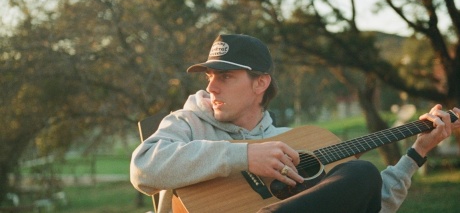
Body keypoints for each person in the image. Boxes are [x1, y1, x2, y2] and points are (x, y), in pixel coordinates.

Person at [130, 34, 460, 213]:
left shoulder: (294, 140)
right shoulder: (187, 123)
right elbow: (143, 170)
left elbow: (376, 202)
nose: (211, 87)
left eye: (225, 77)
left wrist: (418, 151)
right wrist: (243, 156)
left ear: (260, 84)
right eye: (210, 77)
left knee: (362, 174)